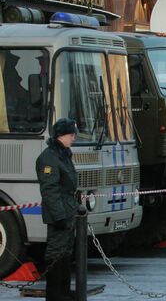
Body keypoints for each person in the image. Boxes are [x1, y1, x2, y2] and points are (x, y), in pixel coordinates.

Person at [36, 118, 79, 301]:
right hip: (59, 213)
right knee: (56, 251)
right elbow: (50, 190)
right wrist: (59, 216)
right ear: (61, 135)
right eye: (71, 135)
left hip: (68, 209)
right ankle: (54, 294)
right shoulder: (49, 158)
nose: (74, 138)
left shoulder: (63, 154)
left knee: (66, 251)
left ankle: (64, 290)